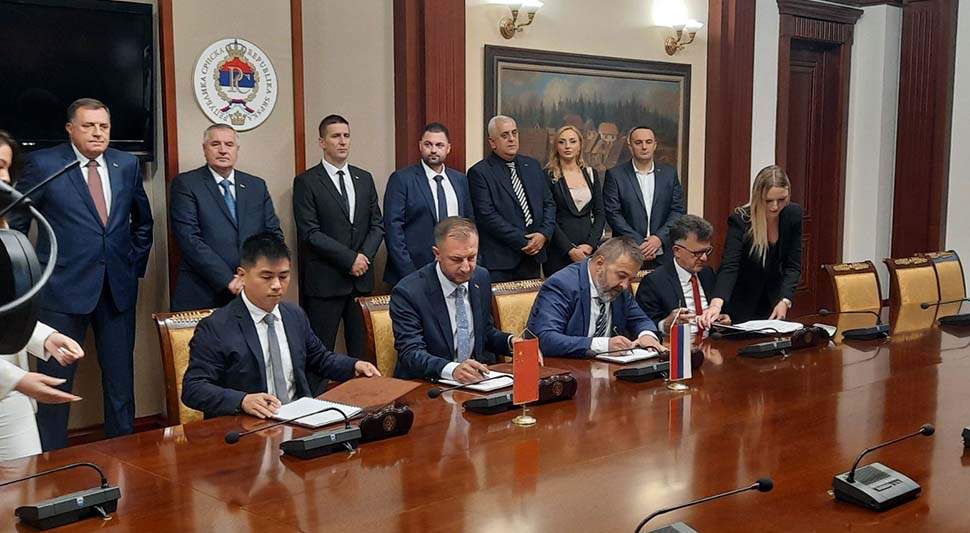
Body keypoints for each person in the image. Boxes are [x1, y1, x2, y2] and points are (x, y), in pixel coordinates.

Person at [8, 98, 154, 450]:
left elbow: (143, 222)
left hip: (116, 290)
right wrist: (29, 278)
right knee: (55, 385)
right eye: (88, 126)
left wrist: (132, 266)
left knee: (120, 383)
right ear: (70, 129)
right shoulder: (45, 164)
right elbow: (17, 223)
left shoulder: (126, 164)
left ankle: (125, 454)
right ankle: (53, 461)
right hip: (61, 291)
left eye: (103, 126)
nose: (97, 133)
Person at [181, 233, 380, 419]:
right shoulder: (217, 327)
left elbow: (319, 359)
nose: (277, 285)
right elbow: (194, 388)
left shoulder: (293, 315)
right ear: (242, 276)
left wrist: (354, 366)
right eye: (267, 277)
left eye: (283, 276)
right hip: (247, 424)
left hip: (300, 419)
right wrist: (242, 400)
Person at [0, 130, 85, 460]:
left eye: (6, 167)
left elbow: (6, 310)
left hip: (10, 392)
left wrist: (45, 338)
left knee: (25, 483)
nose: (4, 177)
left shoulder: (4, 229)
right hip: (11, 381)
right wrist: (17, 380)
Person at [292, 114, 384, 358]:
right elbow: (310, 232)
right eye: (335, 136)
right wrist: (349, 259)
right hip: (326, 282)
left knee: (363, 355)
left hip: (361, 281)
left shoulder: (364, 178)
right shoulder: (307, 181)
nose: (342, 141)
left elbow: (377, 224)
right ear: (322, 142)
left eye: (346, 136)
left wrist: (363, 257)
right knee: (320, 354)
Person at [169, 124, 283, 311]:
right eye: (215, 144)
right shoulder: (186, 184)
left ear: (237, 149)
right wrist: (228, 280)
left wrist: (256, 275)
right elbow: (189, 239)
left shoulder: (256, 186)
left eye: (229, 144)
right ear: (204, 148)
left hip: (252, 290)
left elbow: (273, 235)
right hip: (202, 291)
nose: (223, 150)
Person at [391, 217, 515, 383]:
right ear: (437, 254)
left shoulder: (481, 277)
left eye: (471, 257)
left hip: (475, 383)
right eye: (456, 260)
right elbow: (411, 353)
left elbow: (484, 333)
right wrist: (453, 369)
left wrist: (512, 343)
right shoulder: (409, 292)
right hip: (427, 384)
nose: (466, 267)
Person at [699, 165, 803, 326]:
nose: (775, 206)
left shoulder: (793, 214)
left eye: (781, 200)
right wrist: (716, 305)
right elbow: (730, 266)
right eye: (768, 201)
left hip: (773, 301)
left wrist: (785, 300)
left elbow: (793, 265)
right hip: (741, 301)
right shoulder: (740, 220)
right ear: (757, 196)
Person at [526, 236, 662, 358]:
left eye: (630, 279)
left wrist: (647, 335)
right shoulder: (562, 285)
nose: (625, 285)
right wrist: (603, 345)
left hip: (608, 369)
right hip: (567, 369)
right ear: (600, 264)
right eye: (621, 276)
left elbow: (640, 319)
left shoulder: (619, 288)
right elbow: (545, 338)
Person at [467, 115, 556, 282]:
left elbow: (549, 204)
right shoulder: (480, 173)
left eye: (514, 133)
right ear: (492, 142)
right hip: (501, 262)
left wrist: (543, 234)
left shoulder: (532, 166)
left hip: (533, 259)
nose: (511, 139)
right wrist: (524, 240)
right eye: (504, 135)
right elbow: (486, 215)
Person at [383, 123, 474, 285]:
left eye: (439, 145)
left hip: (455, 271)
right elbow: (393, 229)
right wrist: (409, 273)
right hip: (413, 272)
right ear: (420, 146)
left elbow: (469, 223)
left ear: (448, 148)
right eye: (428, 144)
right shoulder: (402, 179)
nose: (433, 150)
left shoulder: (460, 180)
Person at [602, 126, 685, 268]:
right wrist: (640, 243)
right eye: (638, 142)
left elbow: (678, 210)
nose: (644, 147)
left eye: (648, 142)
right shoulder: (615, 175)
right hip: (627, 252)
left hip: (663, 251)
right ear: (630, 147)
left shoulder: (669, 174)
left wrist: (658, 239)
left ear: (655, 145)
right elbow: (613, 213)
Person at [636, 214, 730, 335]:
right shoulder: (654, 281)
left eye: (707, 251)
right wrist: (666, 324)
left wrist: (721, 320)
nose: (704, 258)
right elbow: (642, 325)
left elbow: (719, 311)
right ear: (677, 251)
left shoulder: (707, 273)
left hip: (710, 343)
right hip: (676, 344)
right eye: (697, 253)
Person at [543, 125, 605, 276]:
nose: (567, 146)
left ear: (580, 145)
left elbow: (600, 213)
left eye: (572, 141)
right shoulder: (547, 175)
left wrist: (590, 245)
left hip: (588, 251)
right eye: (562, 142)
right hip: (558, 251)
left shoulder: (591, 173)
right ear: (556, 147)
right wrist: (569, 249)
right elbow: (548, 217)